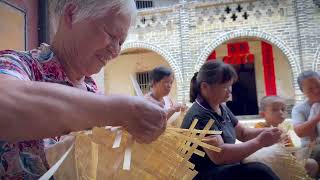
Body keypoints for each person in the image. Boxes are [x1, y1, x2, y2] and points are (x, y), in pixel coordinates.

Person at [0, 0, 166, 179]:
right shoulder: (19, 65)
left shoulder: (93, 93)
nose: (116, 51)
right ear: (72, 15)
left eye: (121, 42)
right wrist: (119, 110)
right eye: (111, 34)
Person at [181, 60, 281, 180]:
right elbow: (220, 155)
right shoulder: (200, 115)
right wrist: (259, 142)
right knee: (258, 171)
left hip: (222, 169)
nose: (229, 90)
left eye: (230, 85)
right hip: (204, 175)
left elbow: (244, 133)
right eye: (225, 86)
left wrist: (271, 132)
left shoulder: (221, 107)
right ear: (205, 87)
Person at [256, 95, 318, 178]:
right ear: (263, 114)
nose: (281, 112)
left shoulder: (286, 128)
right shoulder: (260, 128)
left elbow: (291, 149)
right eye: (275, 110)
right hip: (272, 162)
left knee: (312, 164)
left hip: (288, 161)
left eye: (283, 109)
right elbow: (262, 150)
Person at [292, 70, 320, 162]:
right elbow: (300, 132)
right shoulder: (299, 109)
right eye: (310, 89)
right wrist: (317, 117)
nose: (316, 91)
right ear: (303, 91)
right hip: (309, 147)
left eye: (318, 86)